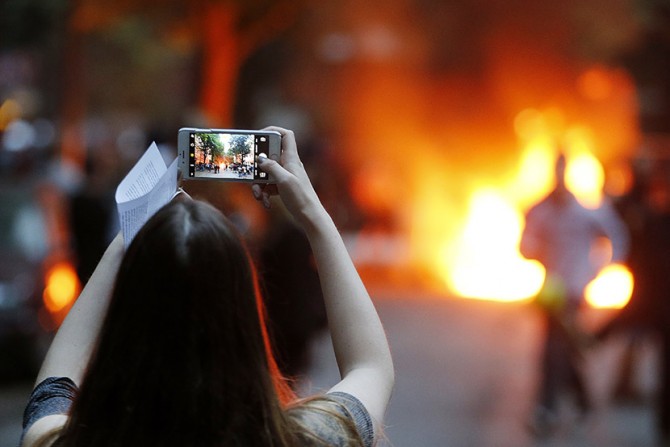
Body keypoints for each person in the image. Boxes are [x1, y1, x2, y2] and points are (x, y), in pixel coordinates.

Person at [19, 127, 394, 447]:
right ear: (244, 311)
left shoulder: (64, 440)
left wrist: (133, 228)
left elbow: (54, 384)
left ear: (127, 317)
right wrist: (312, 214)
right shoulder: (310, 438)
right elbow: (371, 366)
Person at [520, 152, 629, 436]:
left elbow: (617, 237)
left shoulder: (585, 212)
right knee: (561, 349)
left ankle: (547, 409)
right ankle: (582, 402)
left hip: (575, 290)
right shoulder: (542, 211)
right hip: (551, 292)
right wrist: (536, 248)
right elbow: (525, 246)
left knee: (554, 349)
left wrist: (600, 269)